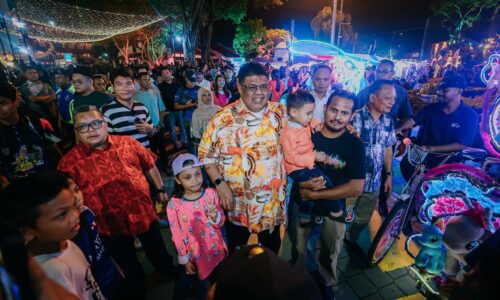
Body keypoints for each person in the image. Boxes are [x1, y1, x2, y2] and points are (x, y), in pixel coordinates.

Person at [58, 105, 176, 299]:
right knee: (127, 264)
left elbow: (149, 165)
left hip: (143, 212)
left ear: (105, 124)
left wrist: (161, 189)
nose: (91, 129)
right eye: (83, 126)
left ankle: (166, 269)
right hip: (108, 225)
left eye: (96, 123)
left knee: (157, 248)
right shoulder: (69, 162)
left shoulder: (128, 143)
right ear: (76, 131)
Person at [198, 62, 287, 254]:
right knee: (237, 252)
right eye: (252, 87)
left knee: (271, 250)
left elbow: (308, 129)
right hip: (237, 203)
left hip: (271, 203)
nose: (259, 93)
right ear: (239, 86)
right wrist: (220, 184)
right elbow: (206, 155)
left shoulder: (281, 114)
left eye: (263, 87)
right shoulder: (221, 119)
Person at [290, 91, 365, 292]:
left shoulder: (354, 143)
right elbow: (288, 163)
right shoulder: (306, 133)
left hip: (334, 207)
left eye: (344, 113)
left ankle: (327, 282)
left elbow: (357, 187)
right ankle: (297, 279)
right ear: (325, 108)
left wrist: (315, 194)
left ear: (352, 116)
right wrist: (304, 187)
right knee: (298, 246)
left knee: (331, 251)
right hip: (302, 201)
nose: (338, 117)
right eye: (334, 109)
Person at [0, 172, 105, 300]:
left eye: (72, 206)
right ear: (28, 233)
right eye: (61, 215)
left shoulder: (64, 242)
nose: (75, 216)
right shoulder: (50, 271)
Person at [345, 80, 397, 256]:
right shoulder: (354, 117)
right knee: (341, 214)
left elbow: (388, 148)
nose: (392, 102)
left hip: (374, 182)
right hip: (351, 180)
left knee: (363, 218)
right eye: (387, 98)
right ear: (373, 97)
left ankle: (350, 238)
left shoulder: (389, 121)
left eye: (394, 98)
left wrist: (388, 175)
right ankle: (333, 244)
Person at [280, 91, 346, 226]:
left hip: (305, 163)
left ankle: (305, 215)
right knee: (324, 182)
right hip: (296, 168)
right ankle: (336, 210)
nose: (311, 117)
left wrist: (317, 124)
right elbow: (291, 157)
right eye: (309, 113)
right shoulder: (289, 134)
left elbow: (312, 123)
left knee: (312, 188)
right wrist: (313, 156)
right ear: (293, 112)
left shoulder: (302, 121)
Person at [356, 59, 413, 215]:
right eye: (378, 71)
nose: (380, 74)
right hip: (364, 139)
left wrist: (400, 136)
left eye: (385, 71)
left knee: (385, 170)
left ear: (392, 73)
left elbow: (406, 117)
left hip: (388, 138)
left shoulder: (400, 93)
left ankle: (382, 201)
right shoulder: (364, 93)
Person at [167, 153, 227, 300]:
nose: (195, 180)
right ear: (177, 179)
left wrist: (215, 216)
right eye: (187, 177)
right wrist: (184, 260)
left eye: (197, 174)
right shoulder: (174, 205)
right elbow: (176, 235)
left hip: (217, 251)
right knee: (204, 291)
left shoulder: (211, 194)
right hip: (197, 257)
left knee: (221, 284)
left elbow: (221, 222)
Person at [397, 74, 478, 181]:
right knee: (409, 175)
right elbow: (413, 120)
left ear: (459, 91)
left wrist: (432, 149)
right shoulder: (431, 108)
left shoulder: (470, 115)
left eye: (446, 90)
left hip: (446, 162)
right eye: (439, 90)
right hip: (420, 156)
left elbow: (462, 144)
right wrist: (398, 129)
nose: (439, 93)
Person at [63, 171, 122, 300]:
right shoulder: (66, 235)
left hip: (111, 276)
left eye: (77, 190)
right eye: (68, 196)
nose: (76, 197)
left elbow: (99, 243)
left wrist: (116, 267)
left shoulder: (87, 212)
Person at [0, 82, 61, 183]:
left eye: (3, 103)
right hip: (19, 190)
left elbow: (56, 151)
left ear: (16, 100)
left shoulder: (39, 123)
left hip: (49, 182)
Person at [101, 68, 156, 149]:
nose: (125, 88)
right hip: (124, 160)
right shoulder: (106, 111)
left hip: (146, 157)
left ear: (134, 85)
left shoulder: (142, 107)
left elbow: (151, 134)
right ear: (113, 87)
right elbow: (106, 144)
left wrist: (151, 129)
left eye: (129, 83)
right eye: (119, 84)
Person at [134, 71, 168, 168]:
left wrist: (159, 125)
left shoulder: (155, 93)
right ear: (138, 82)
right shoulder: (135, 96)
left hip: (157, 127)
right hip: (144, 130)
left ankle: (165, 167)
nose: (148, 82)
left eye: (149, 79)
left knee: (162, 149)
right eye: (144, 80)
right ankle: (153, 169)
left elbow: (162, 110)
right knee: (149, 151)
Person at [158, 67, 186, 149]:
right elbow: (161, 100)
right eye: (163, 74)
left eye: (166, 73)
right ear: (161, 76)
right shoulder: (160, 86)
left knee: (182, 127)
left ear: (170, 73)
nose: (165, 75)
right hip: (169, 111)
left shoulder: (177, 83)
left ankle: (185, 142)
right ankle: (175, 144)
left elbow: (182, 96)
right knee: (172, 129)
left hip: (179, 109)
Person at [175, 69, 199, 151]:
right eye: (191, 81)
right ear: (186, 79)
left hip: (199, 119)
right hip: (187, 119)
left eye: (194, 81)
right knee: (190, 140)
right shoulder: (180, 90)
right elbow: (176, 106)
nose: (193, 83)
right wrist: (187, 105)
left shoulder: (199, 89)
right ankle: (192, 158)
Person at [54, 69, 76, 144]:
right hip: (66, 123)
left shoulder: (74, 90)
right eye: (55, 78)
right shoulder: (58, 92)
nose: (56, 80)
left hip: (76, 124)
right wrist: (59, 121)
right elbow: (59, 107)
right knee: (73, 141)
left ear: (67, 78)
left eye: (59, 77)